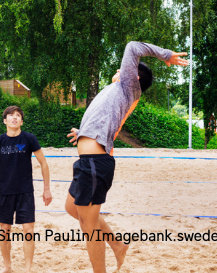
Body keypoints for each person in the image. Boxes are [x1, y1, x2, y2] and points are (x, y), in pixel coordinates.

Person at [65, 42, 188, 272]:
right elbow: (106, 120)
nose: (119, 70)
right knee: (72, 208)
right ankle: (118, 245)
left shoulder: (128, 87)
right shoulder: (116, 92)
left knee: (89, 227)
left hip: (94, 163)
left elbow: (132, 47)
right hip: (87, 161)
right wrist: (82, 133)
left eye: (124, 69)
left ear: (135, 77)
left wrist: (166, 55)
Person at [0, 106, 53, 273]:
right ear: (4, 121)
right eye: (10, 115)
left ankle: (27, 269)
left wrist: (47, 189)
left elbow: (43, 163)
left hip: (25, 192)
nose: (14, 118)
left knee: (28, 231)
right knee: (4, 231)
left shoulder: (29, 139)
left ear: (21, 121)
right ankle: (7, 267)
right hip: (5, 192)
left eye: (17, 116)